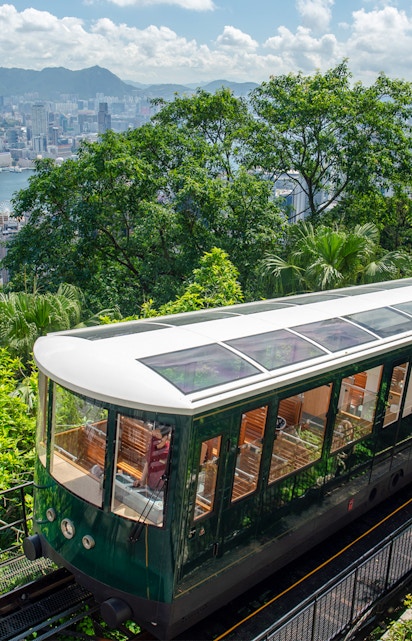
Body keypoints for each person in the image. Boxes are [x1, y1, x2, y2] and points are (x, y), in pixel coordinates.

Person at [134, 424, 171, 490]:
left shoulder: (168, 452)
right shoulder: (152, 446)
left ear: (164, 437)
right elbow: (148, 462)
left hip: (161, 490)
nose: (154, 439)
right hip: (150, 486)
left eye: (157, 435)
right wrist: (142, 481)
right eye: (153, 435)